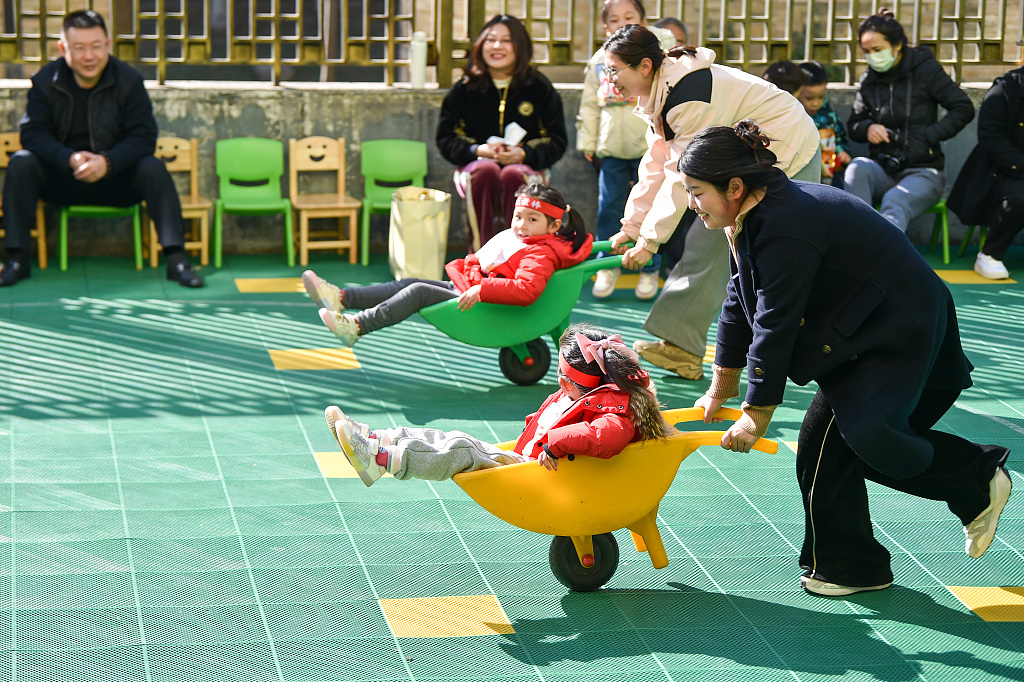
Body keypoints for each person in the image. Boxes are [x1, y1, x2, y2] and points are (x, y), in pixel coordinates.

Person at [683, 121, 1012, 596]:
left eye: (697, 192)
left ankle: (975, 476)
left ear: (734, 187)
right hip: (858, 328)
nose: (692, 204)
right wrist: (722, 383)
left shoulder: (784, 225)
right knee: (821, 450)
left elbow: (774, 323)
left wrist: (755, 415)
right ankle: (851, 567)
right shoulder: (754, 213)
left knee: (867, 438)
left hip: (897, 327)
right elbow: (740, 294)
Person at [600, 25, 821, 380]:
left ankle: (810, 344)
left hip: (786, 152)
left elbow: (677, 177)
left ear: (643, 65)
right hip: (745, 160)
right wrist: (632, 226)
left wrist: (650, 241)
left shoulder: (687, 96)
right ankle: (683, 347)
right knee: (713, 237)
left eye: (613, 70)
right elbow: (656, 164)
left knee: (772, 256)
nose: (609, 80)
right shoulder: (661, 92)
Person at [324, 323, 675, 486]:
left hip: (540, 474)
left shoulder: (613, 408)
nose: (559, 383)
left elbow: (609, 436)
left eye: (562, 377)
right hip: (534, 464)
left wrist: (555, 441)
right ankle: (376, 440)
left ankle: (382, 460)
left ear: (572, 381)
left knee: (460, 448)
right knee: (447, 437)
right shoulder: (588, 395)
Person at [0, 9, 203, 288]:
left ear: (108, 45)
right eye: (79, 48)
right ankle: (17, 259)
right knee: (21, 163)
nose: (89, 56)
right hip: (63, 178)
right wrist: (69, 158)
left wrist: (107, 162)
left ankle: (177, 259)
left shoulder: (129, 81)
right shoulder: (46, 81)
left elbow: (144, 137)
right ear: (63, 48)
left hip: (116, 179)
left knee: (153, 167)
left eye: (96, 46)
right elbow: (32, 134)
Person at [303, 183, 592, 346]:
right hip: (475, 287)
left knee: (417, 291)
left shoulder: (540, 254)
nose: (521, 226)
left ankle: (357, 325)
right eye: (518, 217)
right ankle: (341, 298)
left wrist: (482, 290)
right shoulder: (536, 243)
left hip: (485, 302)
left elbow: (526, 289)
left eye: (532, 219)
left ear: (554, 225)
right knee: (408, 283)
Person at [436, 14, 567, 250]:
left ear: (521, 46)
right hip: (475, 166)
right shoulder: (465, 88)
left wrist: (524, 154)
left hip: (527, 168)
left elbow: (557, 140)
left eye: (506, 40)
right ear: (481, 46)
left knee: (513, 176)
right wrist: (477, 150)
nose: (497, 46)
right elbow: (446, 138)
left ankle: (518, 254)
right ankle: (480, 255)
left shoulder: (539, 87)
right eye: (490, 40)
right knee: (484, 171)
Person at [576, 0, 675, 301]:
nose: (622, 23)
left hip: (651, 146)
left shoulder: (657, 51)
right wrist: (588, 142)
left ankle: (650, 268)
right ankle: (607, 267)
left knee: (653, 207)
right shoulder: (598, 62)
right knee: (609, 208)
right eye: (614, 20)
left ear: (645, 22)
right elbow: (590, 104)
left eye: (629, 17)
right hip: (614, 149)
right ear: (606, 28)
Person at [843, 8, 974, 234]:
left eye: (877, 49)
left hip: (924, 172)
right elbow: (854, 124)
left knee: (895, 200)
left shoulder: (926, 70)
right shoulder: (868, 79)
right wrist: (867, 128)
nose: (872, 56)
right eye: (866, 51)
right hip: (883, 168)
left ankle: (885, 262)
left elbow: (963, 108)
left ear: (897, 46)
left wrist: (927, 136)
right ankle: (857, 249)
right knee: (857, 168)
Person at [947, 65, 1024, 280]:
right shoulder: (1005, 90)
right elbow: (991, 137)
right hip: (1000, 171)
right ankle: (990, 254)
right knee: (1020, 197)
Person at [798, 60, 852, 184]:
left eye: (820, 97)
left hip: (831, 174)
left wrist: (842, 152)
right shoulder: (795, 118)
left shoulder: (830, 116)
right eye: (809, 98)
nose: (816, 103)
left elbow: (841, 140)